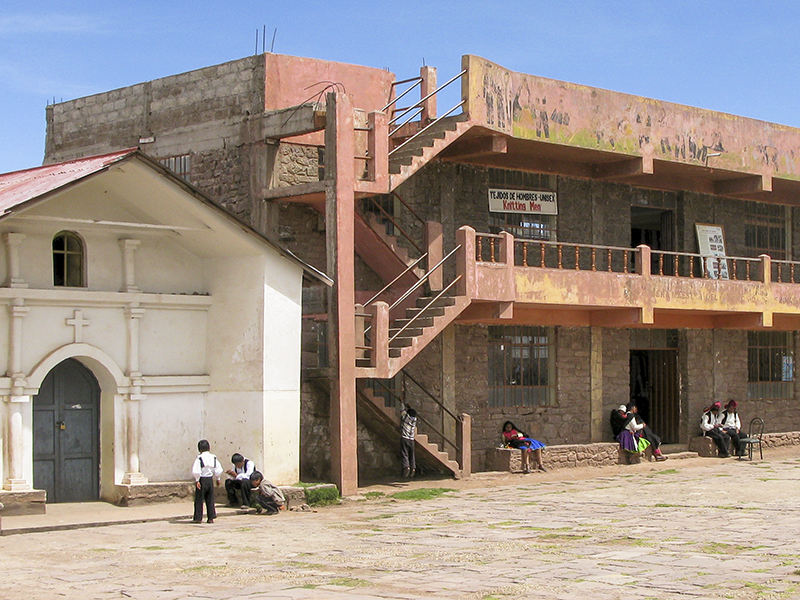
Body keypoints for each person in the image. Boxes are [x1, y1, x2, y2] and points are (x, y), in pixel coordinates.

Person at [191, 439, 223, 523]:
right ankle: (211, 517)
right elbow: (218, 469)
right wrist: (218, 478)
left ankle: (198, 518)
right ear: (209, 448)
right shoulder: (213, 457)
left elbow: (196, 470)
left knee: (199, 499)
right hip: (210, 479)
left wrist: (197, 480)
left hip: (202, 479)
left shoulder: (199, 458)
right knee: (210, 499)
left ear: (199, 449)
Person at [400, 406, 417, 478]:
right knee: (412, 454)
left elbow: (402, 410)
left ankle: (406, 466)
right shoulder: (415, 420)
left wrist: (402, 403)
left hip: (405, 438)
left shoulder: (405, 418)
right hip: (411, 439)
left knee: (404, 453)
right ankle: (413, 467)